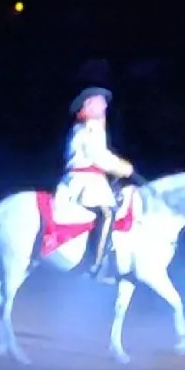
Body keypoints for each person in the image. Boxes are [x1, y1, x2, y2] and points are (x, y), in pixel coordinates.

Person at [61, 86, 134, 281]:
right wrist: (122, 167)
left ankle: (110, 261)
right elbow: (98, 156)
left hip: (95, 180)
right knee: (107, 213)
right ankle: (93, 265)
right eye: (99, 101)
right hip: (84, 180)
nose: (104, 105)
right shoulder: (88, 127)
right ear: (88, 105)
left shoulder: (94, 127)